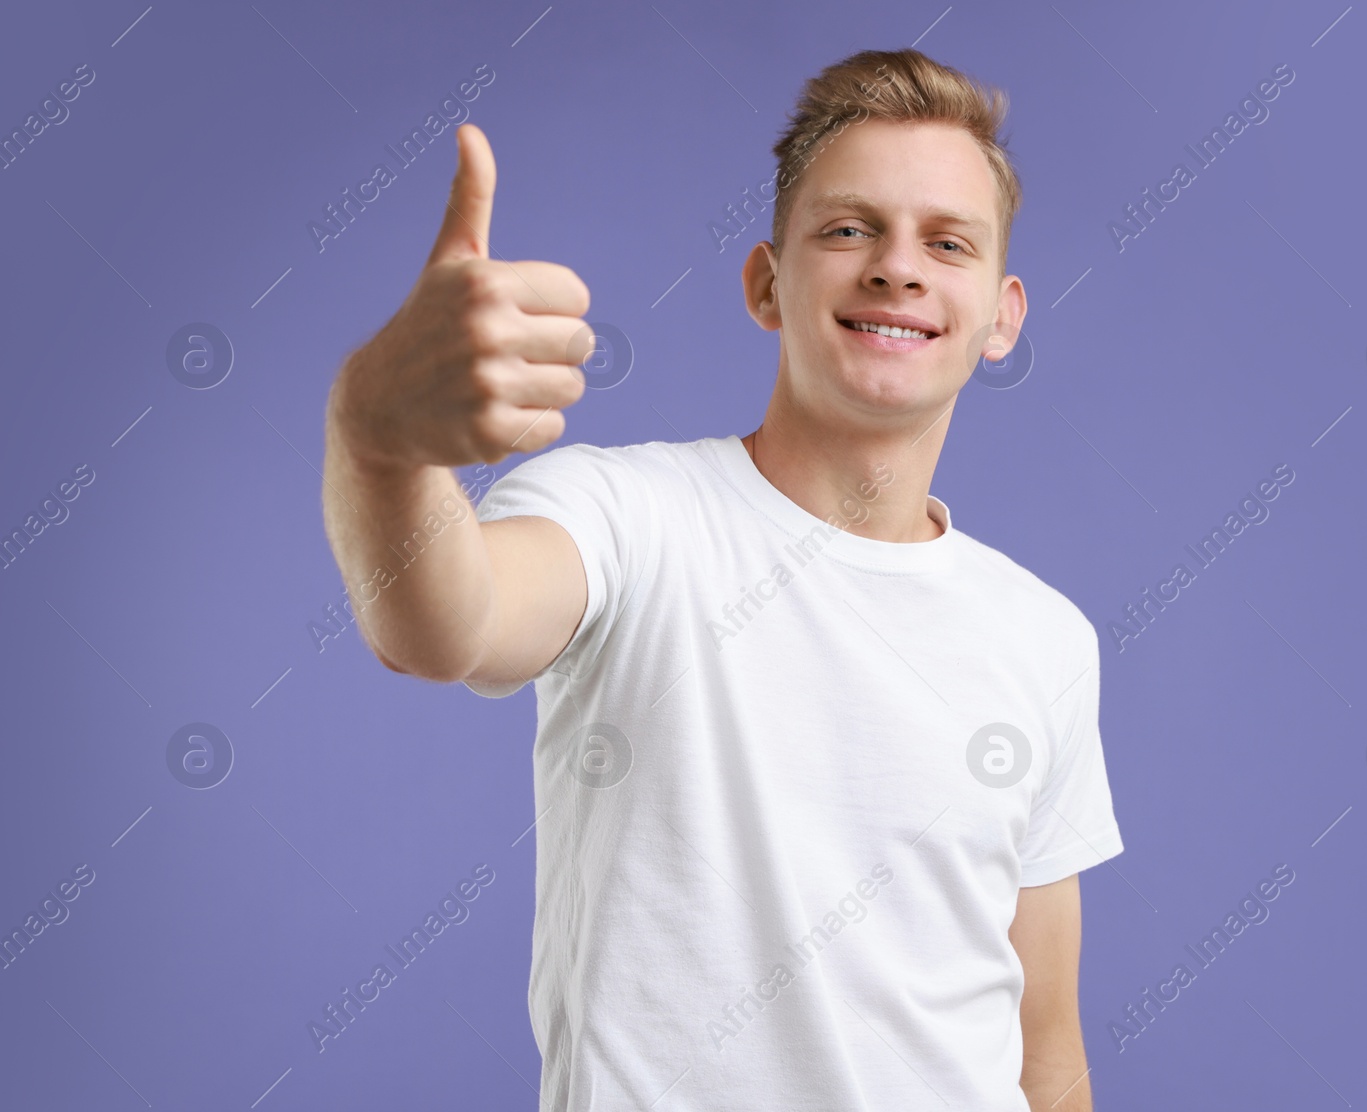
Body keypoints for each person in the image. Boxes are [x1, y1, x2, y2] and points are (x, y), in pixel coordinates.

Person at [322, 47, 1123, 1112]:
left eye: (946, 241)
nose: (896, 266)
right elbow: (440, 623)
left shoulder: (1045, 637)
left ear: (1002, 314)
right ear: (765, 282)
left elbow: (1046, 1047)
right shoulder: (626, 517)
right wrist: (376, 436)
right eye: (847, 229)